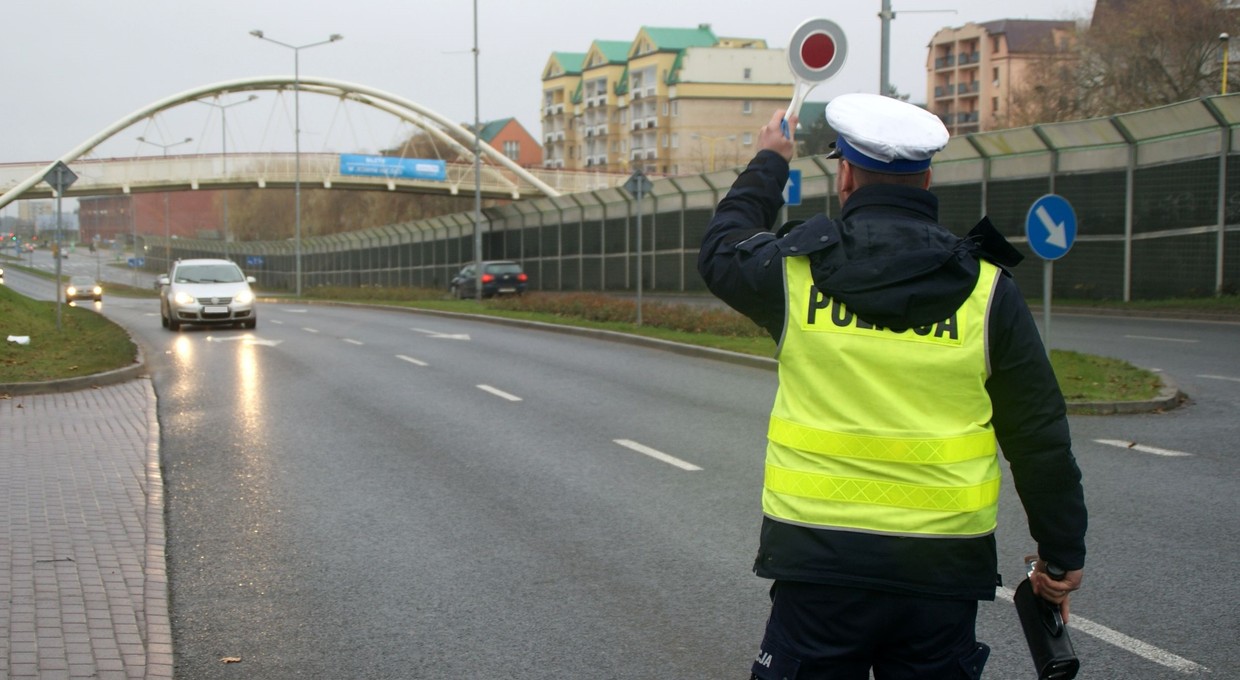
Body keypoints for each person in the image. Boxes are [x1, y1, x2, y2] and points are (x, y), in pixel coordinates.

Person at [698, 94, 1087, 679]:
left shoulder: (793, 273)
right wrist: (1060, 556)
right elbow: (1038, 437)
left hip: (820, 569)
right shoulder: (989, 291)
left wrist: (770, 161)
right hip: (942, 575)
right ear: (927, 177)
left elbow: (722, 246)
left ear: (846, 175)